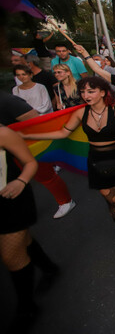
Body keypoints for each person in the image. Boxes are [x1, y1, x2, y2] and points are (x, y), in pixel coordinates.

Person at [21, 77, 115, 248]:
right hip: (97, 163)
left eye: (91, 91)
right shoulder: (80, 113)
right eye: (83, 92)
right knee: (114, 202)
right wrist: (28, 136)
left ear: (103, 92)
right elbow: (62, 134)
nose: (86, 95)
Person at [1, 125, 59, 332]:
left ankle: (27, 308)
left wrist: (21, 181)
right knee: (21, 241)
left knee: (10, 255)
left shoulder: (3, 134)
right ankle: (49, 268)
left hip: (12, 199)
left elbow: (29, 162)